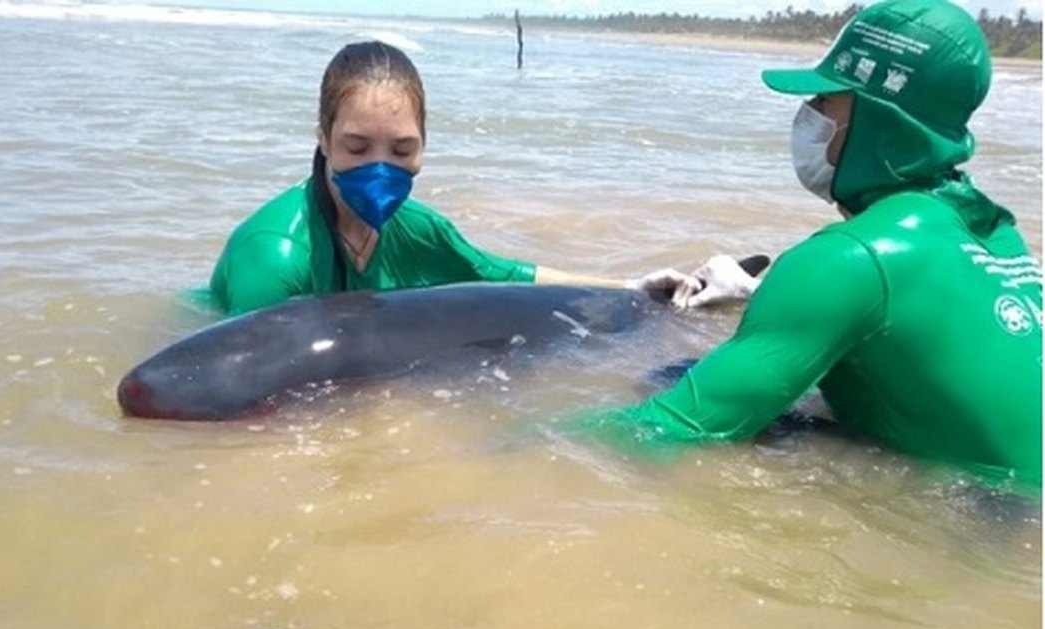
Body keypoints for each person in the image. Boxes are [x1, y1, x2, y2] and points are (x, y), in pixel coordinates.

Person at [585, 0, 1043, 485]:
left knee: (666, 389)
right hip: (1016, 508)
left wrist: (512, 439)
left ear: (880, 118)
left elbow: (666, 431)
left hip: (993, 530)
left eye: (825, 101)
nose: (807, 114)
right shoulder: (996, 232)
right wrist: (750, 293)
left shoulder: (846, 258)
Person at [210, 40, 756, 315]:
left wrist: (634, 289)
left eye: (403, 148)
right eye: (357, 146)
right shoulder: (277, 257)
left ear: (425, 147)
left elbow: (505, 274)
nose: (382, 167)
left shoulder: (418, 229)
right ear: (324, 139)